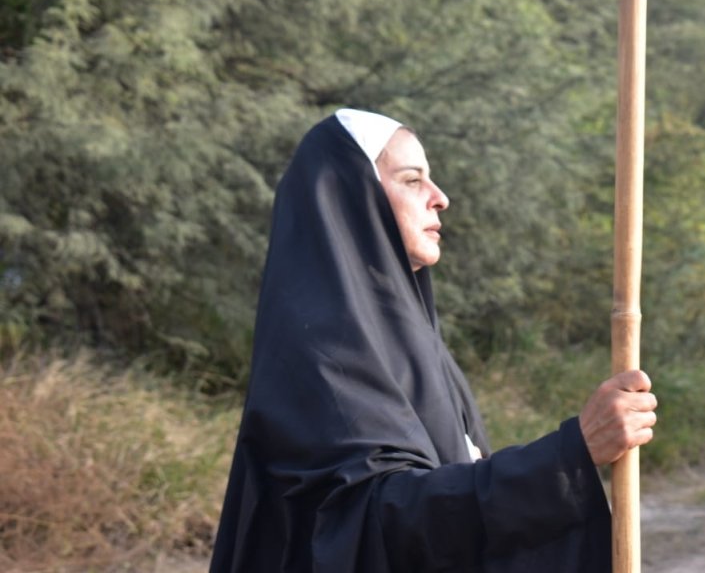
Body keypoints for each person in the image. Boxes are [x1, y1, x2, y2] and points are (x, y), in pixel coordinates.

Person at [210, 109, 657, 572]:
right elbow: (374, 526)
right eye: (412, 180)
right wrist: (569, 455)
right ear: (352, 196)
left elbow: (449, 493)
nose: (440, 198)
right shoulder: (322, 349)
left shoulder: (410, 342)